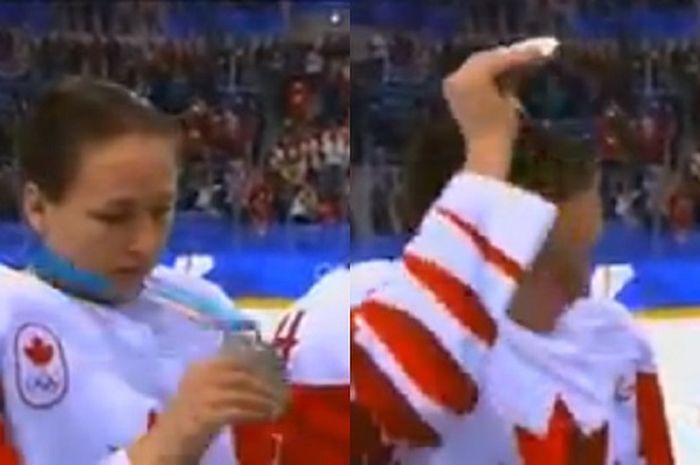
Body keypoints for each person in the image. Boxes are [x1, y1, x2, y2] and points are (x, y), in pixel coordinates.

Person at [237, 41, 674, 465]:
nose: (584, 285)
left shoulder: (614, 341)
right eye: (565, 266)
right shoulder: (346, 321)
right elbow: (411, 391)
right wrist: (490, 146)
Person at [0, 77, 288, 465]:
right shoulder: (10, 317)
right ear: (37, 208)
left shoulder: (209, 313)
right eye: (114, 217)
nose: (145, 243)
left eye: (161, 211)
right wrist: (167, 444)